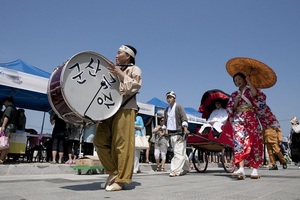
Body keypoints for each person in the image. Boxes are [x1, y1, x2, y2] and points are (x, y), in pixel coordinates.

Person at [93, 45, 142, 191]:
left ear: (128, 56)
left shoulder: (135, 69)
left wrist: (119, 73)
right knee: (99, 140)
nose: (116, 55)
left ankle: (121, 180)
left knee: (122, 144)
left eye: (119, 52)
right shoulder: (114, 69)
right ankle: (113, 171)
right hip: (109, 110)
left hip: (125, 109)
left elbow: (134, 86)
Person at [226, 72, 263, 179]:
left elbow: (256, 95)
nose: (238, 82)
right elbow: (231, 108)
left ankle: (254, 169)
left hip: (251, 118)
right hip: (238, 118)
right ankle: (241, 168)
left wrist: (249, 82)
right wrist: (237, 98)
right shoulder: (234, 94)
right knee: (238, 142)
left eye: (239, 79)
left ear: (244, 79)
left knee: (253, 142)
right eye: (235, 80)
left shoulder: (250, 90)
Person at [162, 91, 190, 177]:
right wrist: (164, 130)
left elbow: (184, 118)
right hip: (171, 134)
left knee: (178, 153)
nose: (169, 99)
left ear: (174, 98)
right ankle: (185, 168)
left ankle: (175, 170)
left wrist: (185, 129)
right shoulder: (167, 109)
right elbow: (165, 122)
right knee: (180, 152)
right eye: (168, 97)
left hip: (179, 133)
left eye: (170, 97)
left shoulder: (178, 107)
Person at [0, 97, 17, 164]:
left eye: (4, 103)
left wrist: (3, 125)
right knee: (6, 144)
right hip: (11, 127)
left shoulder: (9, 108)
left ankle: (1, 159)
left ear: (7, 101)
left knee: (4, 143)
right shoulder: (14, 108)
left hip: (8, 127)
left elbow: (6, 117)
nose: (4, 104)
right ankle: (3, 159)